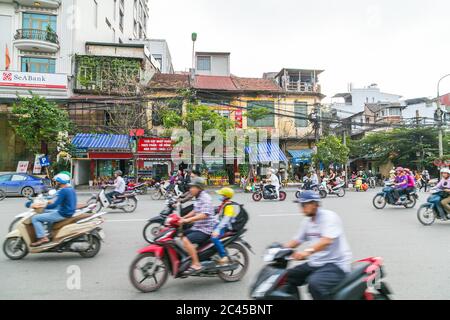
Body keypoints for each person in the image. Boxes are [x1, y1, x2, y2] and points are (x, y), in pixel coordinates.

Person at [283, 191, 352, 300]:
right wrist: (280, 250)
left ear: (315, 204)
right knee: (286, 277)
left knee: (314, 284)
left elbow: (326, 241)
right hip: (316, 262)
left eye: (303, 205)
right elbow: (296, 240)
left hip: (336, 264)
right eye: (300, 205)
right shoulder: (307, 222)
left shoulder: (329, 217)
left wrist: (306, 252)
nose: (301, 208)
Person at [180, 177, 217, 274]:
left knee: (186, 239)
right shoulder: (198, 197)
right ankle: (193, 254)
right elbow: (195, 211)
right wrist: (183, 218)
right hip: (198, 226)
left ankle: (196, 264)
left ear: (199, 188)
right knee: (181, 234)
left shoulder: (206, 198)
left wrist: (188, 220)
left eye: (193, 187)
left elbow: (204, 214)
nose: (190, 189)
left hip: (206, 229)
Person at [30, 173, 77, 247]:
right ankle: (50, 234)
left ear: (60, 182)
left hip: (62, 213)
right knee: (47, 214)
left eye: (57, 181)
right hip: (68, 212)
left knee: (35, 218)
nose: (56, 183)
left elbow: (55, 204)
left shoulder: (63, 191)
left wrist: (44, 207)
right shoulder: (71, 189)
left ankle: (43, 237)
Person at [211, 187, 238, 265]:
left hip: (225, 227)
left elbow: (225, 220)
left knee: (214, 237)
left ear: (226, 196)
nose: (220, 196)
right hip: (220, 224)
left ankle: (224, 256)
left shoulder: (229, 206)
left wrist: (217, 229)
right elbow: (218, 214)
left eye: (222, 195)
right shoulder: (224, 204)